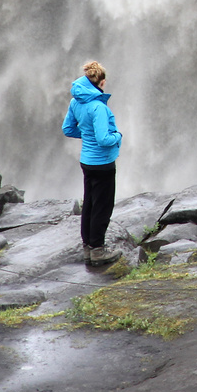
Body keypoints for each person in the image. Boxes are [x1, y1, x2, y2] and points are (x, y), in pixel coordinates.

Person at [62, 60, 122, 264]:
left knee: (89, 203)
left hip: (86, 162)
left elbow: (68, 129)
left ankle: (87, 246)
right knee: (102, 207)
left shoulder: (75, 102)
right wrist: (118, 136)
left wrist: (86, 135)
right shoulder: (98, 107)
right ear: (102, 83)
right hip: (103, 164)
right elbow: (104, 139)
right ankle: (97, 250)